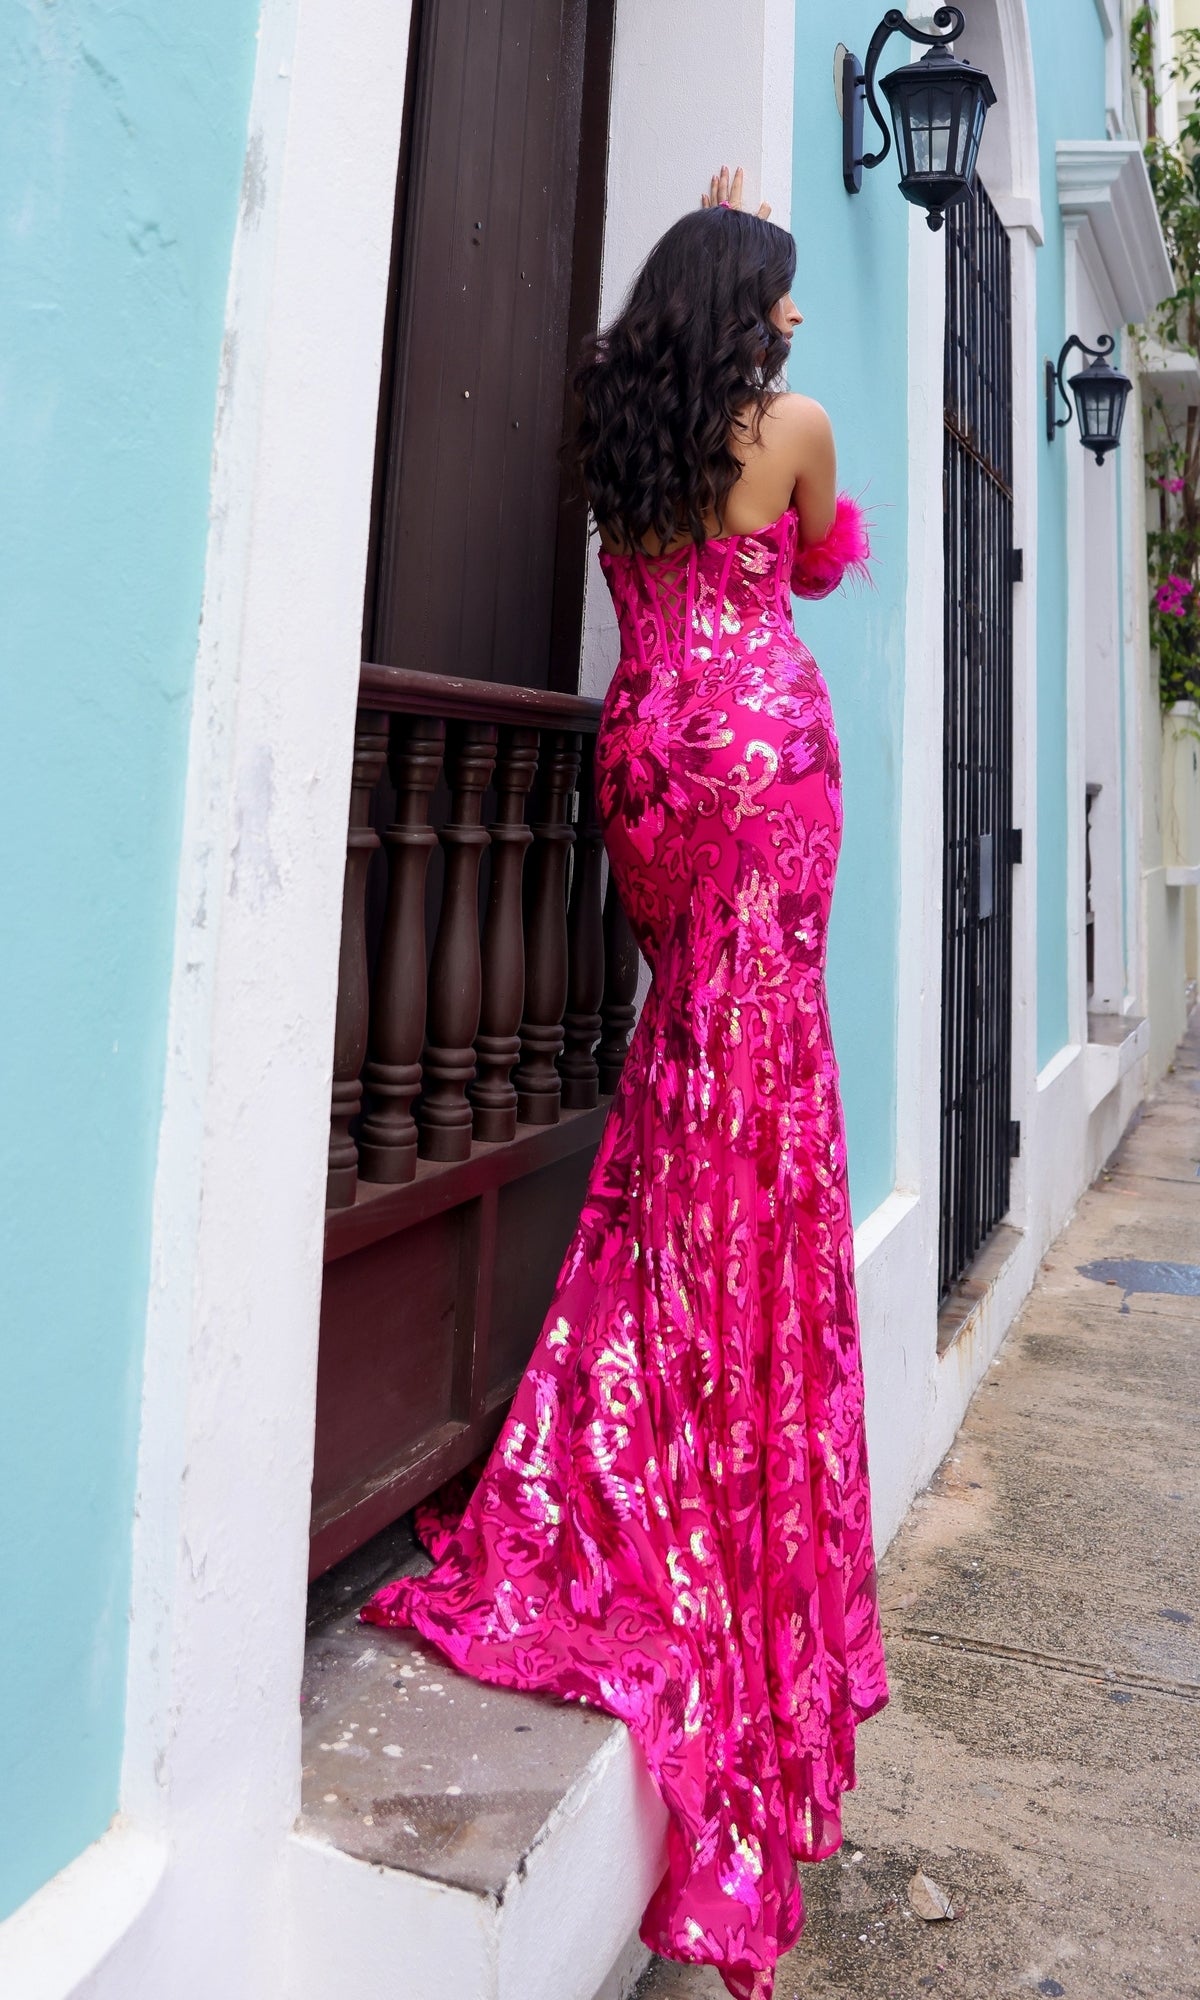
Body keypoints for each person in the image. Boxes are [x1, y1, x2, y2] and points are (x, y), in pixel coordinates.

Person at [362, 165, 889, 2000]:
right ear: (753, 299)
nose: (804, 320)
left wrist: (700, 232)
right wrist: (801, 500)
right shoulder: (793, 424)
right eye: (787, 289)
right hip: (760, 749)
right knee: (760, 1070)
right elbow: (821, 558)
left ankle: (663, 1323)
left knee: (687, 1053)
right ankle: (727, 1378)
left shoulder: (624, 416)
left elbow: (656, 509)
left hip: (652, 760)